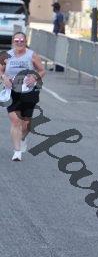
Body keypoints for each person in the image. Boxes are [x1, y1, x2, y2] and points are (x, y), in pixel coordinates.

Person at [0, 32, 45, 161]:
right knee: (15, 121)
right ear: (13, 42)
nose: (19, 43)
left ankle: (23, 138)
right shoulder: (6, 55)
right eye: (17, 41)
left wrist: (35, 77)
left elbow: (42, 70)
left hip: (29, 92)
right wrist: (4, 77)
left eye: (22, 41)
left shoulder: (32, 55)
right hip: (11, 92)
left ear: (25, 42)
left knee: (26, 124)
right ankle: (17, 152)